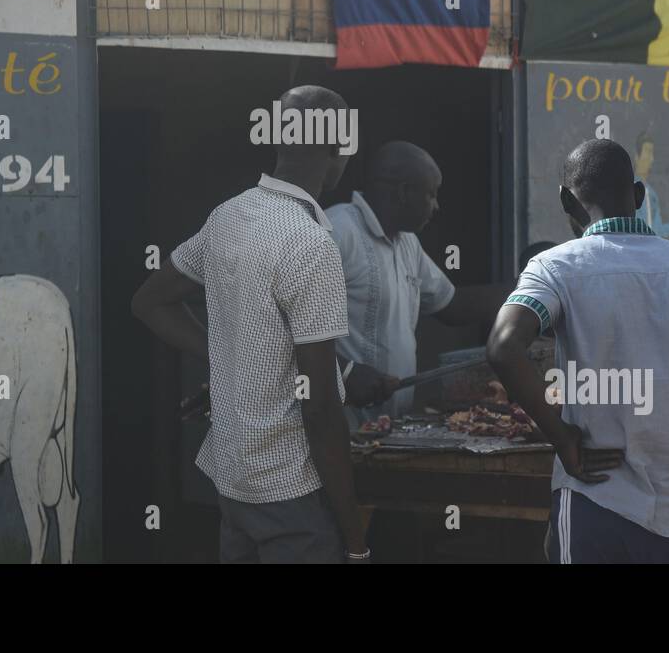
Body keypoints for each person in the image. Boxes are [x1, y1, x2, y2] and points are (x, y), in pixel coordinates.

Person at [131, 85, 368, 564]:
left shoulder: (228, 217)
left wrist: (228, 359)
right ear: (338, 147)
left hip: (234, 489)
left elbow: (149, 301)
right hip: (292, 494)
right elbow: (320, 407)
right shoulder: (311, 244)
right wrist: (357, 541)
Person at [487, 138, 669, 563]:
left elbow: (504, 347)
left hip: (594, 500)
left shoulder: (555, 267)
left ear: (565, 202)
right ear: (639, 195)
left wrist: (563, 439)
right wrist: (666, 438)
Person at [326, 141, 515, 421]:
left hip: (389, 430)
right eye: (432, 194)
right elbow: (283, 327)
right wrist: (344, 373)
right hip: (342, 431)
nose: (436, 206)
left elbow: (453, 306)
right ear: (404, 192)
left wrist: (529, 288)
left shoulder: (407, 244)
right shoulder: (336, 231)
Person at [633, 132, 669, 242]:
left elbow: (657, 230)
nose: (651, 159)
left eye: (652, 153)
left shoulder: (652, 195)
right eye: (648, 152)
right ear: (637, 156)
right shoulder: (628, 189)